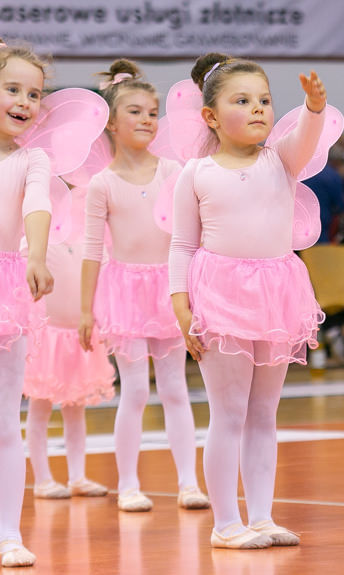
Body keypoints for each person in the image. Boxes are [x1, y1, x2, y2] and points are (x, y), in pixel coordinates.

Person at [169, 52, 332, 549]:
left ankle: (260, 515)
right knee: (229, 412)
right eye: (243, 101)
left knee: (264, 412)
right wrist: (180, 304)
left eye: (264, 100)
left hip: (278, 291)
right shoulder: (195, 173)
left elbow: (305, 136)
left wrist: (313, 107)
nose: (259, 108)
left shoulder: (280, 160)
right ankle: (225, 523)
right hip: (219, 294)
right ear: (211, 116)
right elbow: (181, 244)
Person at [79, 59, 208, 513]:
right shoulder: (102, 183)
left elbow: (189, 238)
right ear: (112, 122)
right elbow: (92, 249)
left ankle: (189, 482)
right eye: (135, 111)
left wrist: (192, 295)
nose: (147, 120)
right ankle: (129, 483)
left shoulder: (174, 170)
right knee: (134, 390)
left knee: (175, 388)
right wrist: (84, 309)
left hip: (168, 289)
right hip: (123, 292)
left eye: (153, 112)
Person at [24, 185, 116, 502]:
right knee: (40, 407)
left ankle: (77, 475)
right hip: (47, 337)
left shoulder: (87, 239)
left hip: (78, 333)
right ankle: (43, 478)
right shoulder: (38, 239)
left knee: (75, 409)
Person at [0, 40, 54, 568]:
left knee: (3, 422)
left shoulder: (32, 158)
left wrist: (36, 254)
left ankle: (8, 532)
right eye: (11, 88)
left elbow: (37, 202)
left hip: (8, 289)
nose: (24, 100)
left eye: (33, 93)